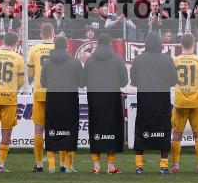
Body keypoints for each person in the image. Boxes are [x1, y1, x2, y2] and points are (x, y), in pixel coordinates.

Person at [129, 31, 176, 173]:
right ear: (160, 44)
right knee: (164, 132)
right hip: (162, 102)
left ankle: (139, 166)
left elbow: (134, 81)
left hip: (144, 101)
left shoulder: (138, 60)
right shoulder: (168, 60)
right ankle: (163, 166)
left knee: (141, 131)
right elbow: (174, 81)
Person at [84, 34, 128, 174]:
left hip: (95, 100)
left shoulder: (90, 61)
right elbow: (124, 82)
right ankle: (111, 166)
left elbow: (84, 81)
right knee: (112, 130)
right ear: (110, 44)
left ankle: (96, 165)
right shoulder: (117, 59)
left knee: (96, 129)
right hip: (112, 100)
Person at [41, 35, 85, 173]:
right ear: (67, 46)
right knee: (70, 131)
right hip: (70, 100)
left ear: (54, 45)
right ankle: (68, 166)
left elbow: (43, 83)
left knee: (52, 130)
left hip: (53, 100)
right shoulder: (75, 62)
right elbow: (82, 82)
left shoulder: (47, 62)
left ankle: (52, 166)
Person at [0, 31, 25, 172]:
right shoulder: (18, 58)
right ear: (16, 43)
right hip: (9, 97)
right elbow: (21, 81)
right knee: (6, 132)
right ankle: (0, 165)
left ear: (3, 40)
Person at [170, 33, 198, 174]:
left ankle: (175, 166)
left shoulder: (175, 60)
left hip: (180, 102)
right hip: (196, 102)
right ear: (194, 44)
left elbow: (172, 81)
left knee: (176, 135)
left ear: (180, 44)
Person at [26, 23, 56, 171]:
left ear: (40, 34)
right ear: (54, 33)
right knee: (57, 128)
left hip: (39, 91)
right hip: (56, 93)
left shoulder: (34, 49)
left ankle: (39, 164)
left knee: (38, 130)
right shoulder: (59, 48)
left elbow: (30, 74)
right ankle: (56, 164)